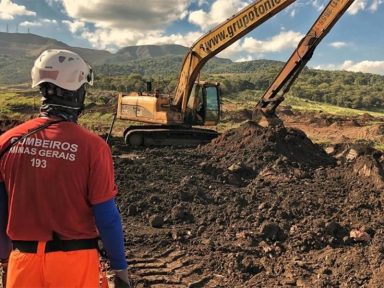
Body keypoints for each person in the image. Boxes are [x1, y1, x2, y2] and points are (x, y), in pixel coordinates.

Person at [0, 49, 131, 287]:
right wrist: (119, 268)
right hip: (74, 264)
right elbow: (107, 217)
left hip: (22, 263)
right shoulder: (93, 147)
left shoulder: (7, 142)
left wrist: (4, 259)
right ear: (78, 92)